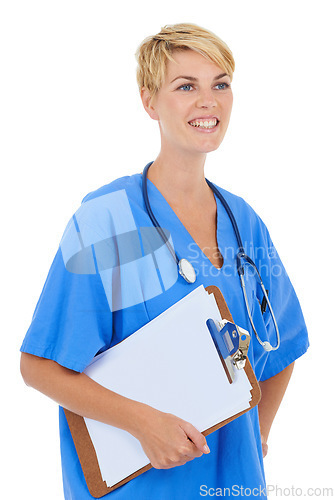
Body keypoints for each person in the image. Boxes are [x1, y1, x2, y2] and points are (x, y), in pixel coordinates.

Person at [20, 23, 309, 499]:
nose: (208, 100)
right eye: (186, 86)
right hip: (142, 487)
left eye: (220, 84)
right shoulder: (105, 219)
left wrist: (257, 437)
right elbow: (40, 366)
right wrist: (143, 424)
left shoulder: (244, 222)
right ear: (149, 102)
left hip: (233, 484)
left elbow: (282, 348)